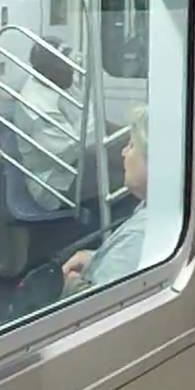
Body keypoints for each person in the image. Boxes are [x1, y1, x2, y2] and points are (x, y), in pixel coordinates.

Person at [16, 38, 123, 210]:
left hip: (78, 158)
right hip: (56, 182)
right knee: (128, 174)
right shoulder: (36, 106)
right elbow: (73, 152)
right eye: (66, 70)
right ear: (48, 71)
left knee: (132, 151)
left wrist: (130, 134)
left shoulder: (61, 79)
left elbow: (95, 124)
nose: (71, 74)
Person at [61, 105, 149, 296]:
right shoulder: (154, 206)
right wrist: (95, 259)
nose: (124, 152)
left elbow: (95, 312)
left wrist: (72, 291)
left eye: (132, 145)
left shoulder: (138, 238)